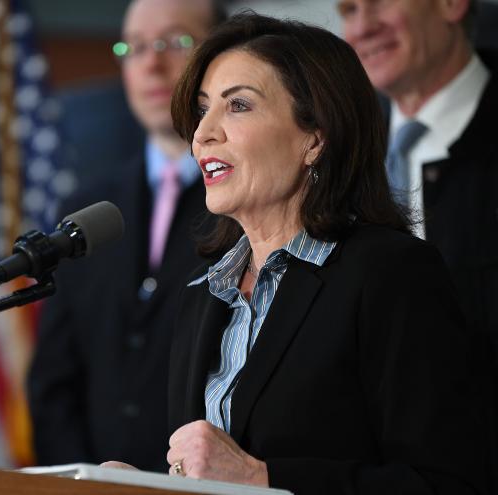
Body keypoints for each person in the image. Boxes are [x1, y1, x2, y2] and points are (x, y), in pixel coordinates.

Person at [106, 12, 494, 494]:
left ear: (315, 137)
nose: (203, 133)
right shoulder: (203, 294)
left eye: (238, 106)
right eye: (203, 110)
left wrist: (265, 480)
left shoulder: (390, 273)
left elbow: (449, 483)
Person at [26, 0, 226, 472]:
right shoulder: (86, 209)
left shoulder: (252, 202)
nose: (151, 64)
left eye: (174, 42)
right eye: (133, 47)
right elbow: (53, 382)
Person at [336, 0, 498, 356]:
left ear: (451, 4)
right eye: (349, 10)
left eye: (379, 3)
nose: (362, 28)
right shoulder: (335, 155)